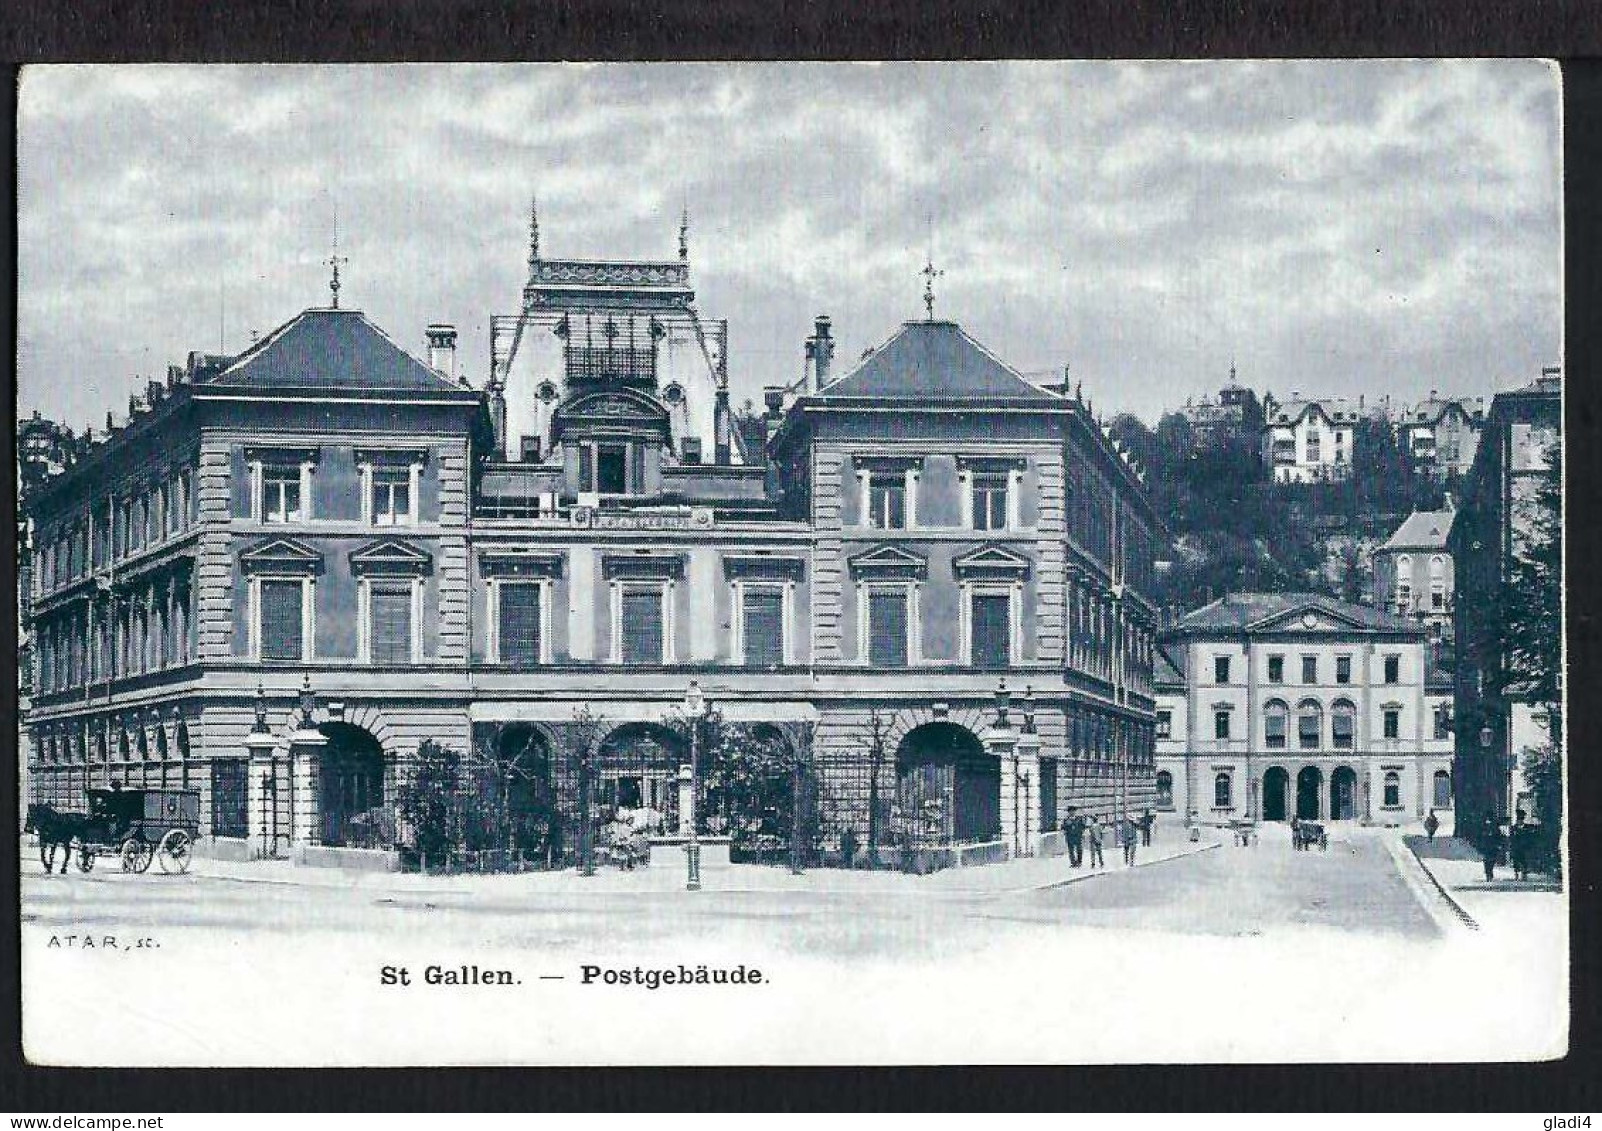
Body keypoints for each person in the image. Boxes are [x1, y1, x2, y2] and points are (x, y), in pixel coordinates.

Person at [1478, 815, 1502, 882]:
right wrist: (1480, 846)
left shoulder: (1495, 828)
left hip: (1493, 847)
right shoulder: (1482, 827)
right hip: (1485, 847)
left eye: (1489, 820)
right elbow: (1479, 837)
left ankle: (1490, 872)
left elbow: (1499, 837)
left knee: (1492, 861)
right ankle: (1488, 874)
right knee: (1486, 861)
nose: (1488, 822)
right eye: (1487, 821)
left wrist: (1499, 845)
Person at [1510, 809, 1530, 881]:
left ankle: (1524, 875)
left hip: (1524, 848)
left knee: (1524, 861)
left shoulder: (1527, 828)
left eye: (1521, 819)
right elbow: (1511, 838)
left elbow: (1529, 838)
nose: (1519, 821)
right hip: (1516, 848)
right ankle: (1516, 874)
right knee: (1516, 861)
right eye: (1518, 819)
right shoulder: (1513, 828)